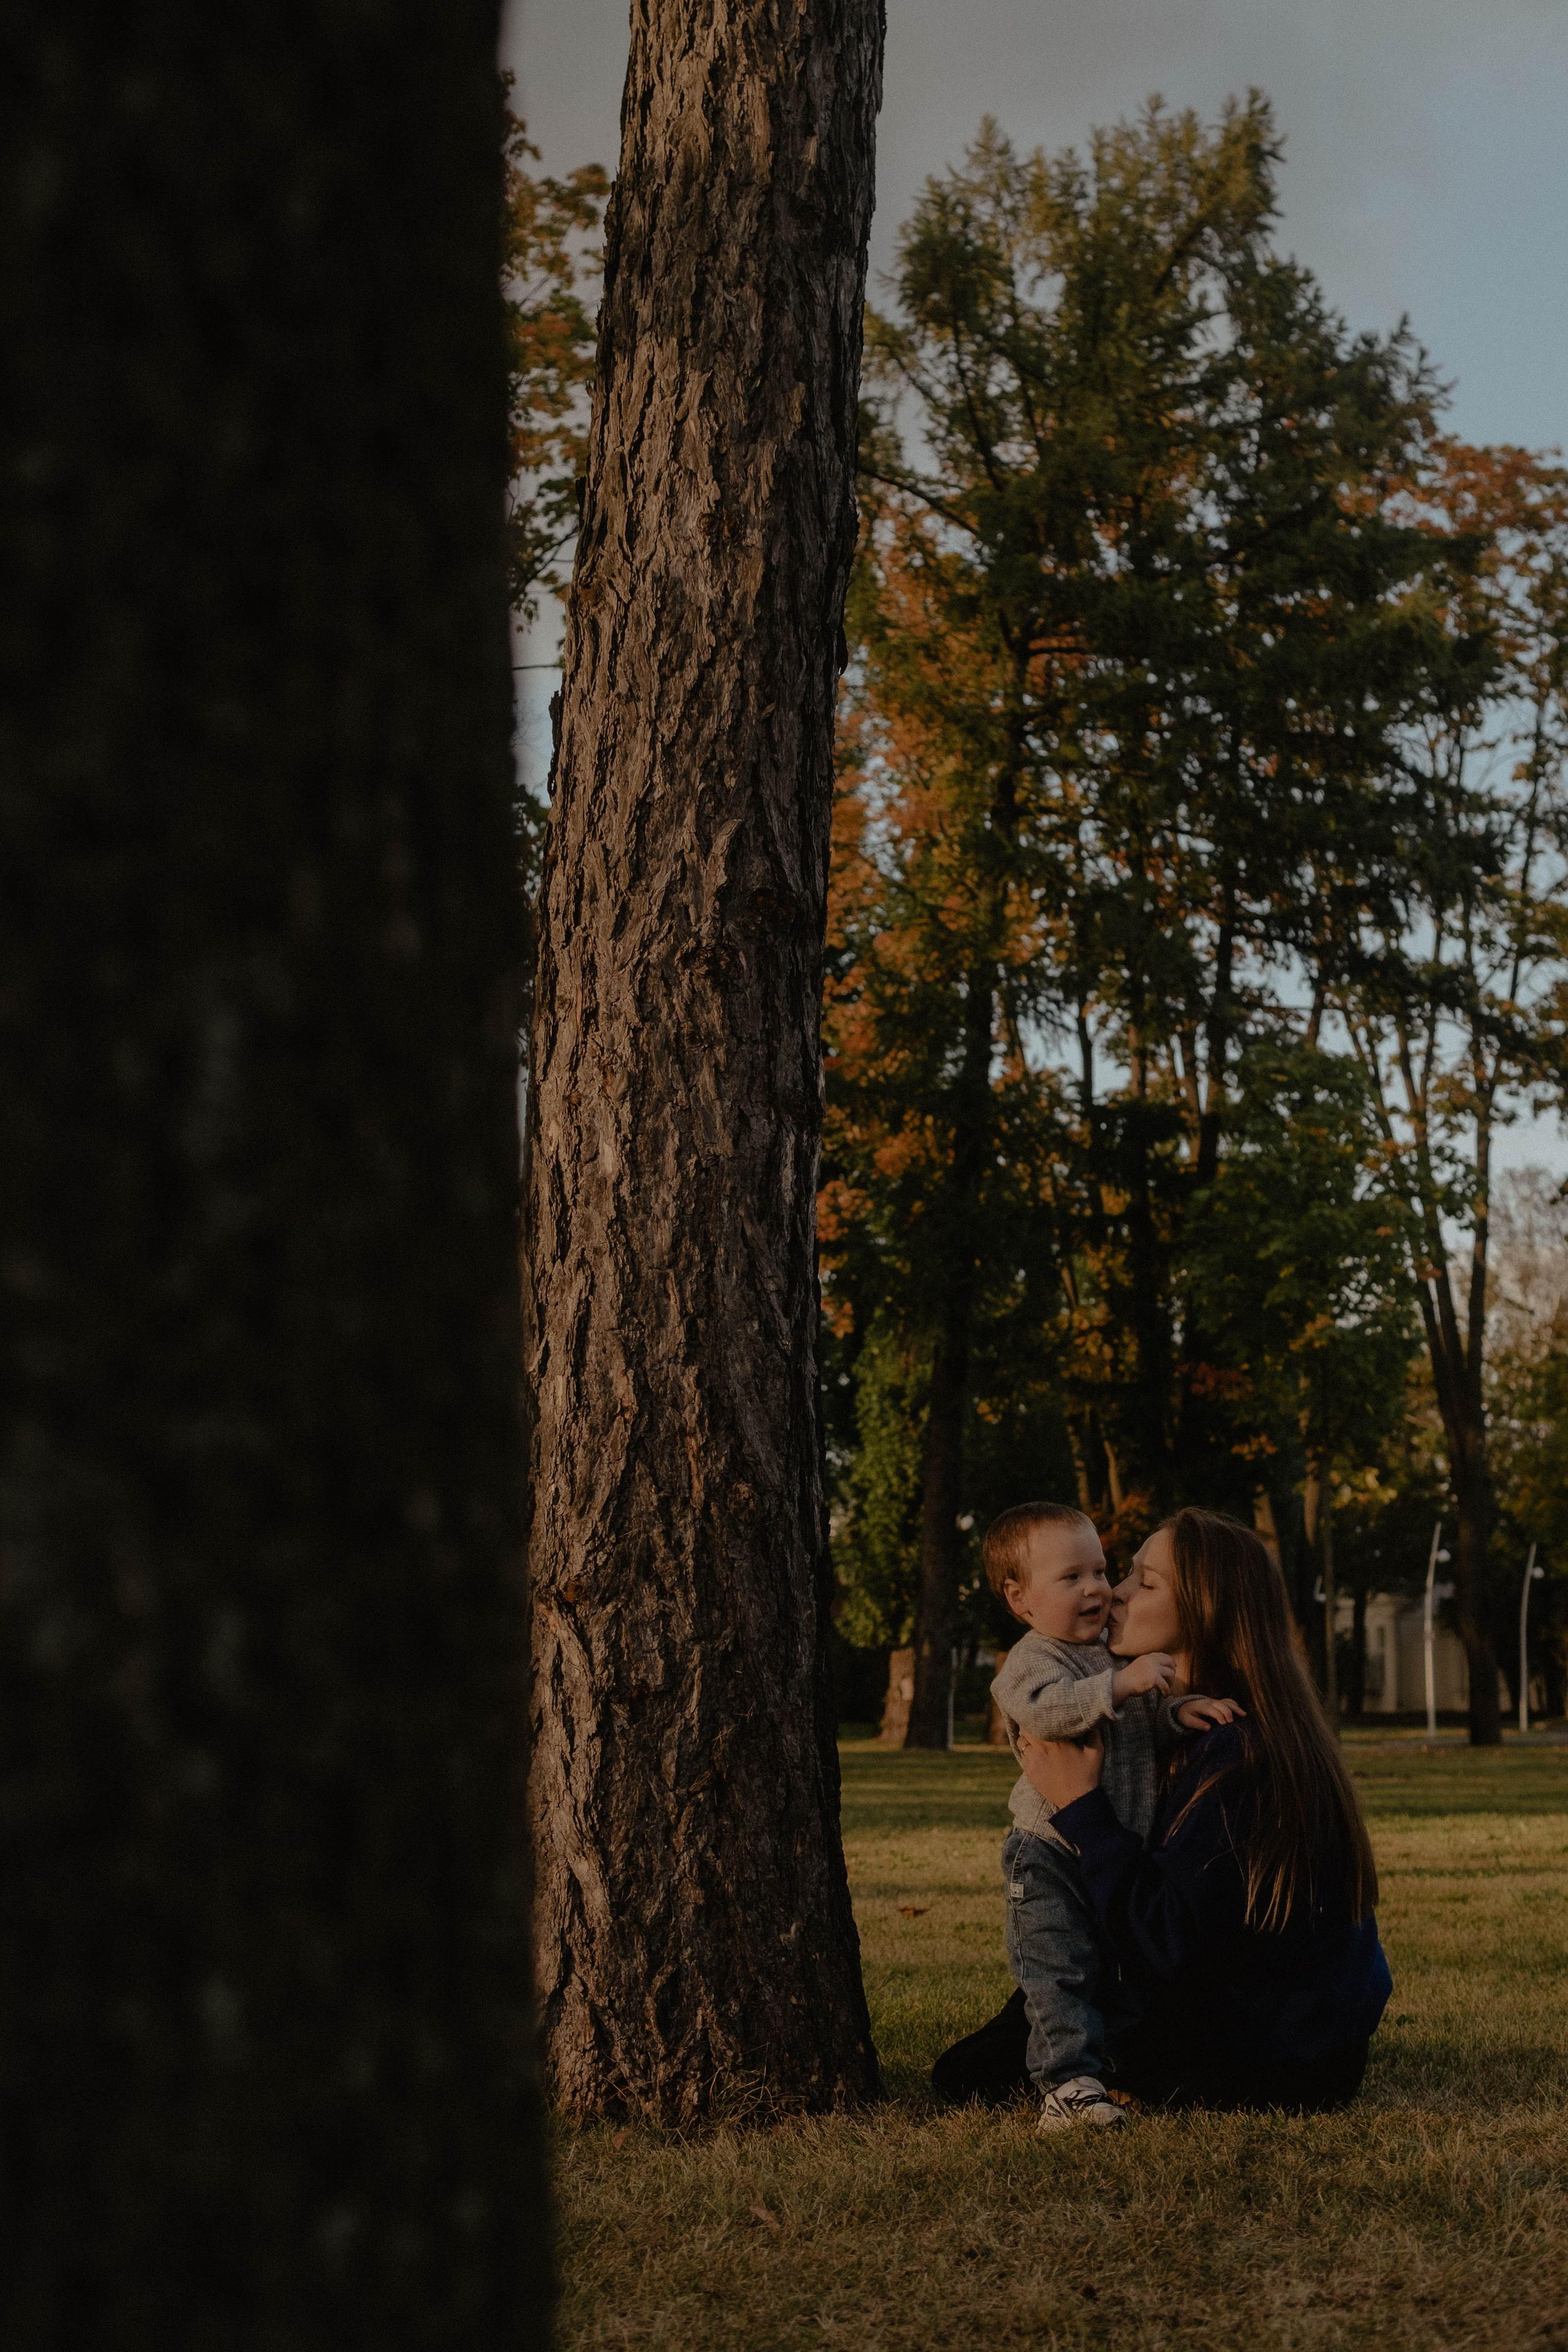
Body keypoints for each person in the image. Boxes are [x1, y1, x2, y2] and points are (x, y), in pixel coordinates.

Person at [933, 1508, 1392, 2114]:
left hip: (1262, 2060)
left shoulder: (1234, 1754)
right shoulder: (1230, 1730)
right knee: (1021, 2023)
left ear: (1205, 1614)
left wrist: (1078, 1805)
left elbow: (1167, 1945)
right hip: (1295, 2040)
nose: (1111, 1592)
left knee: (969, 2075)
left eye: (1141, 1583)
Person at [980, 1502, 1238, 2130]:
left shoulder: (1103, 1654)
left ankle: (1101, 2070)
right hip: (1045, 1853)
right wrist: (1119, 1687)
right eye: (1072, 1578)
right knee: (1057, 1969)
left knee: (1106, 1968)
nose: (1097, 1589)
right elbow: (1042, 1714)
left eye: (1100, 1571)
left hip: (1100, 1842)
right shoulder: (1034, 1660)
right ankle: (1064, 2087)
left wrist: (1180, 1713)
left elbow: (1139, 1726)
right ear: (1020, 1599)